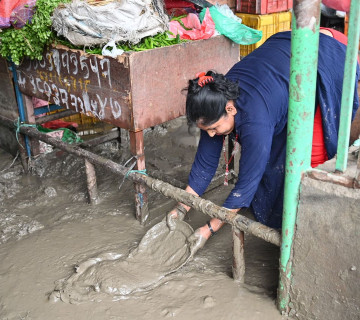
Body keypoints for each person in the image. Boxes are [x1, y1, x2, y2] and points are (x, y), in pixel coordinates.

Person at [166, 29, 360, 255]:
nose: (210, 135)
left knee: (309, 162)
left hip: (320, 58)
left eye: (213, 128)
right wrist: (180, 208)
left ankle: (305, 234)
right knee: (270, 149)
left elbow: (247, 182)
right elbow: (205, 165)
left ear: (231, 109)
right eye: (206, 130)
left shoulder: (254, 120)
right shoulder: (217, 101)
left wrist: (208, 229)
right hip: (284, 55)